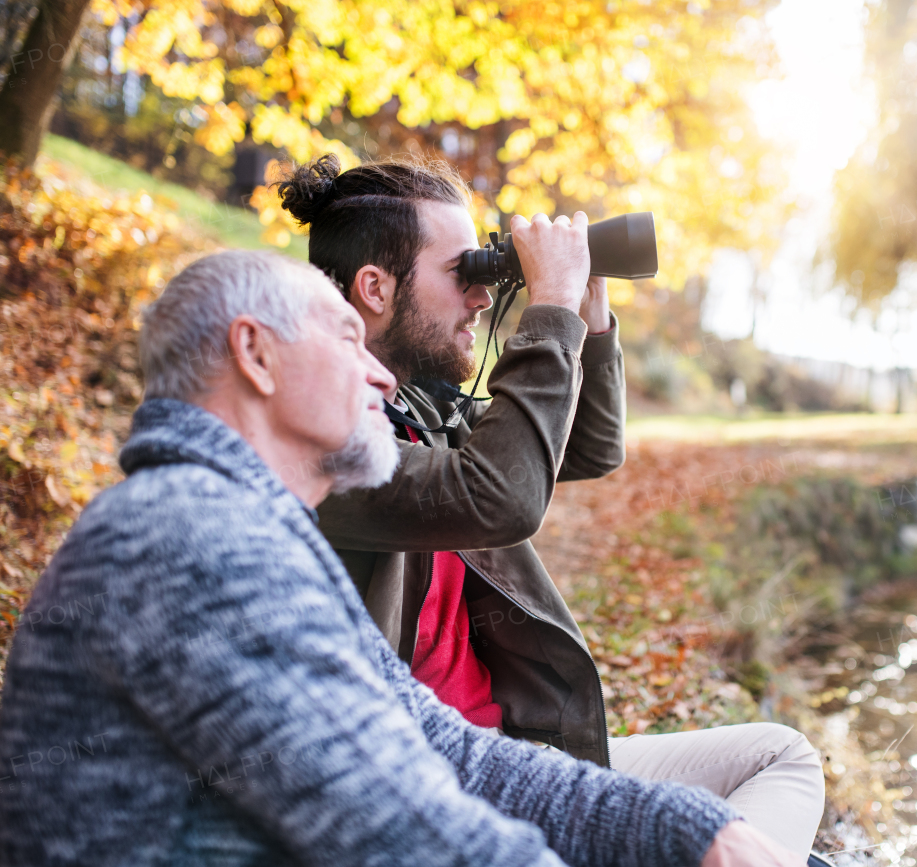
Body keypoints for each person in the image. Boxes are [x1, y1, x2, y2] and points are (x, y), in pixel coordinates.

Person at [0, 250, 802, 867]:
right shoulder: (188, 537)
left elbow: (446, 752)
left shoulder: (248, 527)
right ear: (255, 353)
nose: (380, 371)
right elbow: (402, 830)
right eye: (348, 337)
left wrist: (693, 830)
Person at [277, 155, 827, 859]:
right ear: (375, 287)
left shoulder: (420, 414)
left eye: (486, 270)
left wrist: (589, 320)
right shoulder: (326, 441)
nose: (481, 295)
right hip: (429, 793)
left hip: (516, 756)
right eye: (462, 271)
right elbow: (502, 495)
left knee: (779, 756)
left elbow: (589, 448)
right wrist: (548, 309)